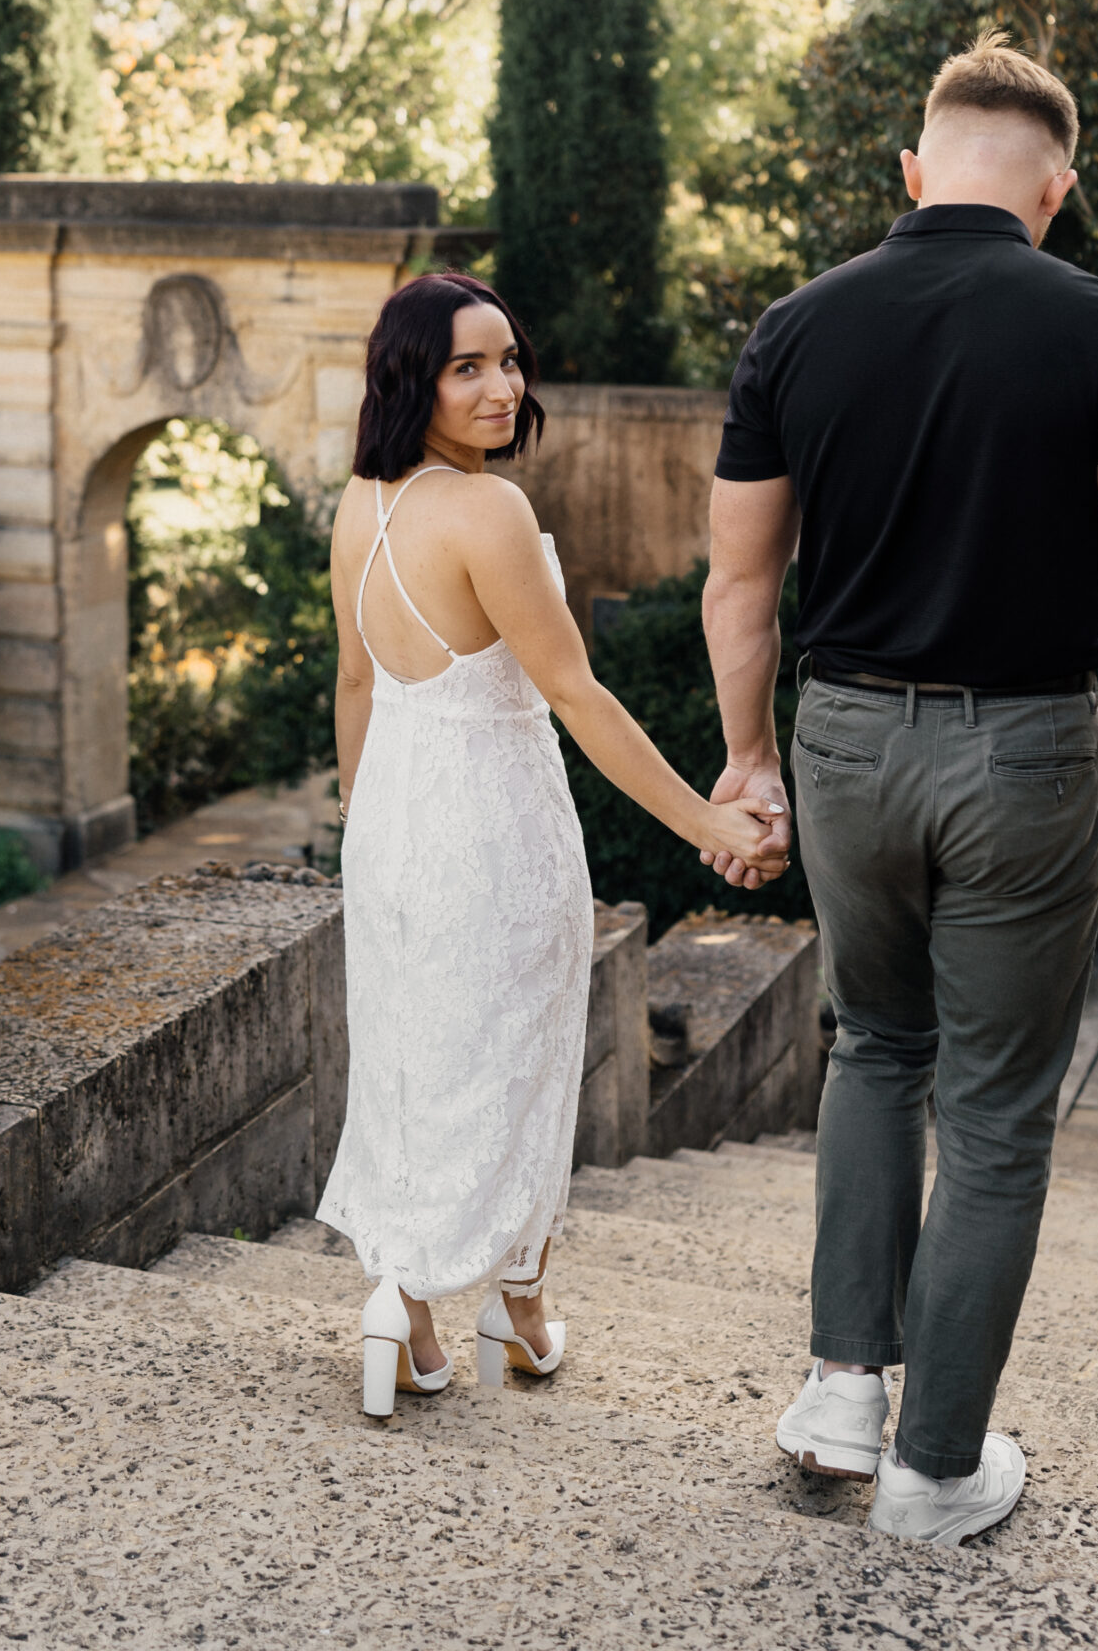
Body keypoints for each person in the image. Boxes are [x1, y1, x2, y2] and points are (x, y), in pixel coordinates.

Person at [700, 32, 1098, 1546]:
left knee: (871, 1049)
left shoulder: (794, 326)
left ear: (913, 169)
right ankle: (935, 1467)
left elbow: (736, 585)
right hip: (1020, 754)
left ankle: (840, 1391)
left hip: (839, 744)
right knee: (998, 1113)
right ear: (1057, 187)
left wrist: (747, 759)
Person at [317, 270, 786, 1418]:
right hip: (491, 822)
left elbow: (356, 681)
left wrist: (360, 827)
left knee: (411, 1059)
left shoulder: (360, 501)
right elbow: (575, 694)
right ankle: (514, 1309)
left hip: (390, 821)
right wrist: (708, 821)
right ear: (410, 376)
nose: (500, 385)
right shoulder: (489, 513)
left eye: (510, 360)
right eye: (466, 365)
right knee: (517, 1065)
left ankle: (402, 1310)